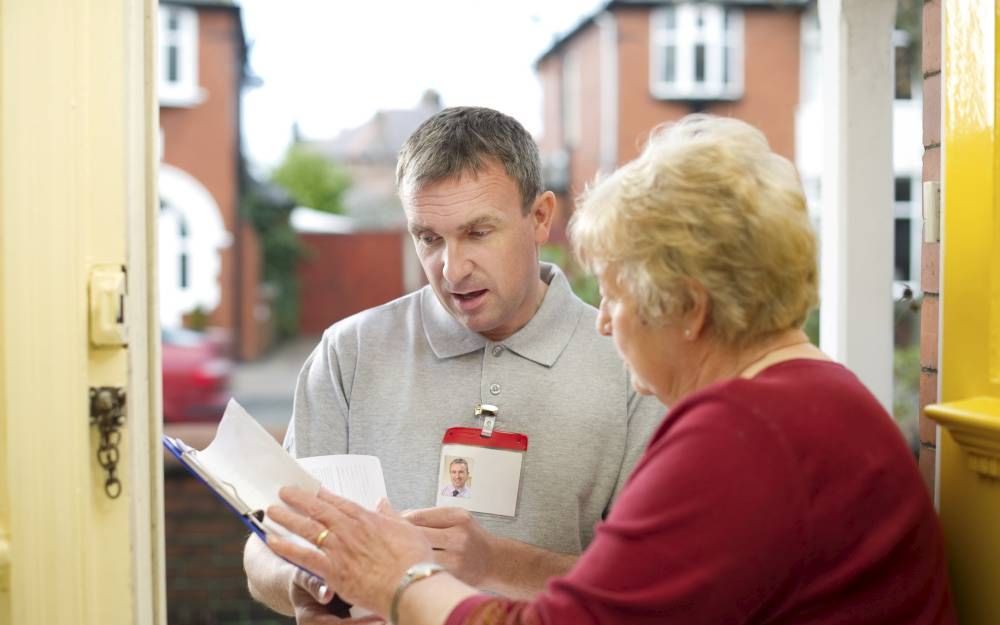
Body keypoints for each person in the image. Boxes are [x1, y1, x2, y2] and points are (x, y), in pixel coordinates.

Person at [265, 114, 957, 625]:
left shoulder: (740, 434)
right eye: (429, 237)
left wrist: (395, 577)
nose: (602, 319)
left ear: (687, 307)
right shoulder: (816, 396)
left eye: (619, 296)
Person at [243, 106, 665, 621]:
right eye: (429, 238)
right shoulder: (347, 352)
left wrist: (494, 562)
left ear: (540, 217)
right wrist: (305, 586)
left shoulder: (632, 365)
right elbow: (265, 545)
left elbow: (652, 588)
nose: (452, 268)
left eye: (478, 233)